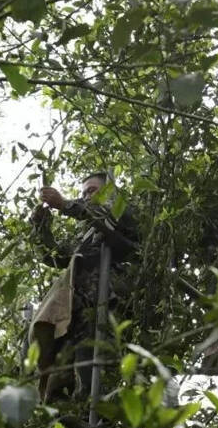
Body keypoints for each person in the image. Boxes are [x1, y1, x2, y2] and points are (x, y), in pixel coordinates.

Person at [29, 172, 138, 402]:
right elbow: (56, 257)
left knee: (93, 371)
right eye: (83, 193)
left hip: (104, 304)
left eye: (92, 191)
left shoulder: (120, 209)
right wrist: (41, 227)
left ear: (110, 191)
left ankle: (99, 419)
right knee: (59, 380)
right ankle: (70, 426)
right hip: (74, 313)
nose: (86, 197)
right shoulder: (86, 233)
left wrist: (65, 204)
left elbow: (103, 215)